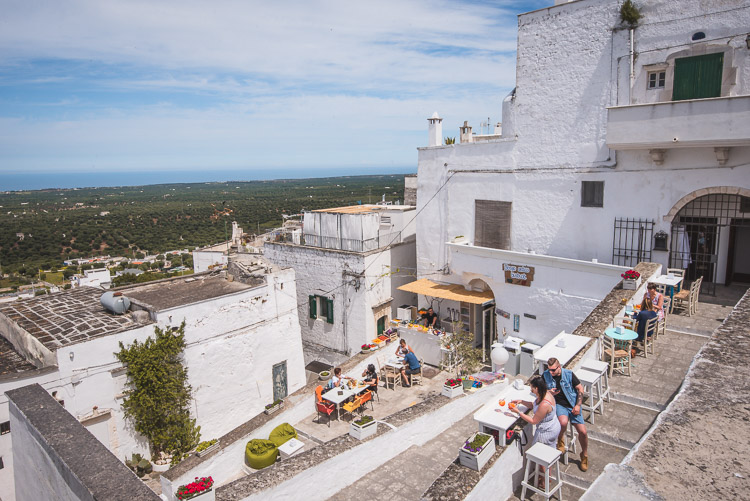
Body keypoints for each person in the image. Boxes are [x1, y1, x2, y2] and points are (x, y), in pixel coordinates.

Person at [510, 375, 560, 487]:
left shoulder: (544, 404)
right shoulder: (545, 393)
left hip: (546, 432)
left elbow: (533, 420)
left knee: (541, 457)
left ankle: (544, 480)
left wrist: (518, 412)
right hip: (553, 426)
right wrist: (522, 401)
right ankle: (548, 477)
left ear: (537, 388)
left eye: (532, 388)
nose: (531, 390)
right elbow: (534, 405)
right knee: (548, 452)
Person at [543, 357, 589, 472]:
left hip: (573, 403)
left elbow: (580, 388)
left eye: (553, 370)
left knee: (583, 432)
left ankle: (584, 454)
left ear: (559, 367)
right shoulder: (546, 375)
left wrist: (578, 405)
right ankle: (560, 440)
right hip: (560, 405)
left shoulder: (568, 374)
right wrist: (549, 392)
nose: (551, 372)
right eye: (549, 370)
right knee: (562, 422)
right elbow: (539, 390)